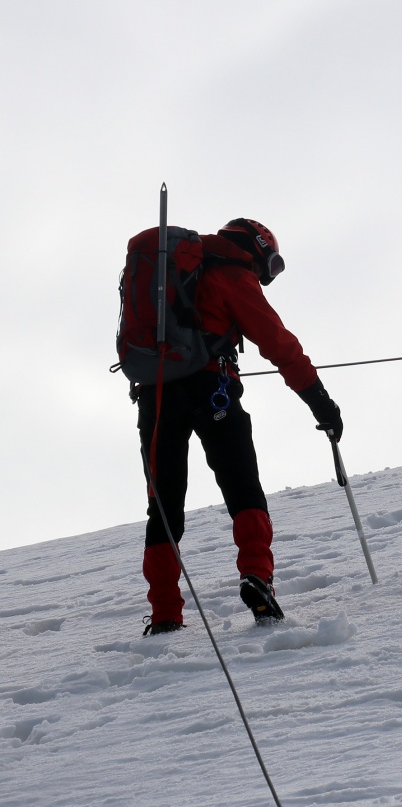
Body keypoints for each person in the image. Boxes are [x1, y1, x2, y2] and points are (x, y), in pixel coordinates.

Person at [133, 219, 342, 635]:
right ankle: (256, 578)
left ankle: (165, 616)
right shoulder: (232, 274)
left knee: (164, 504)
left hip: (156, 395)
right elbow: (278, 343)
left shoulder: (169, 273)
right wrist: (320, 402)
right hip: (215, 390)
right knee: (242, 486)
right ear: (257, 248)